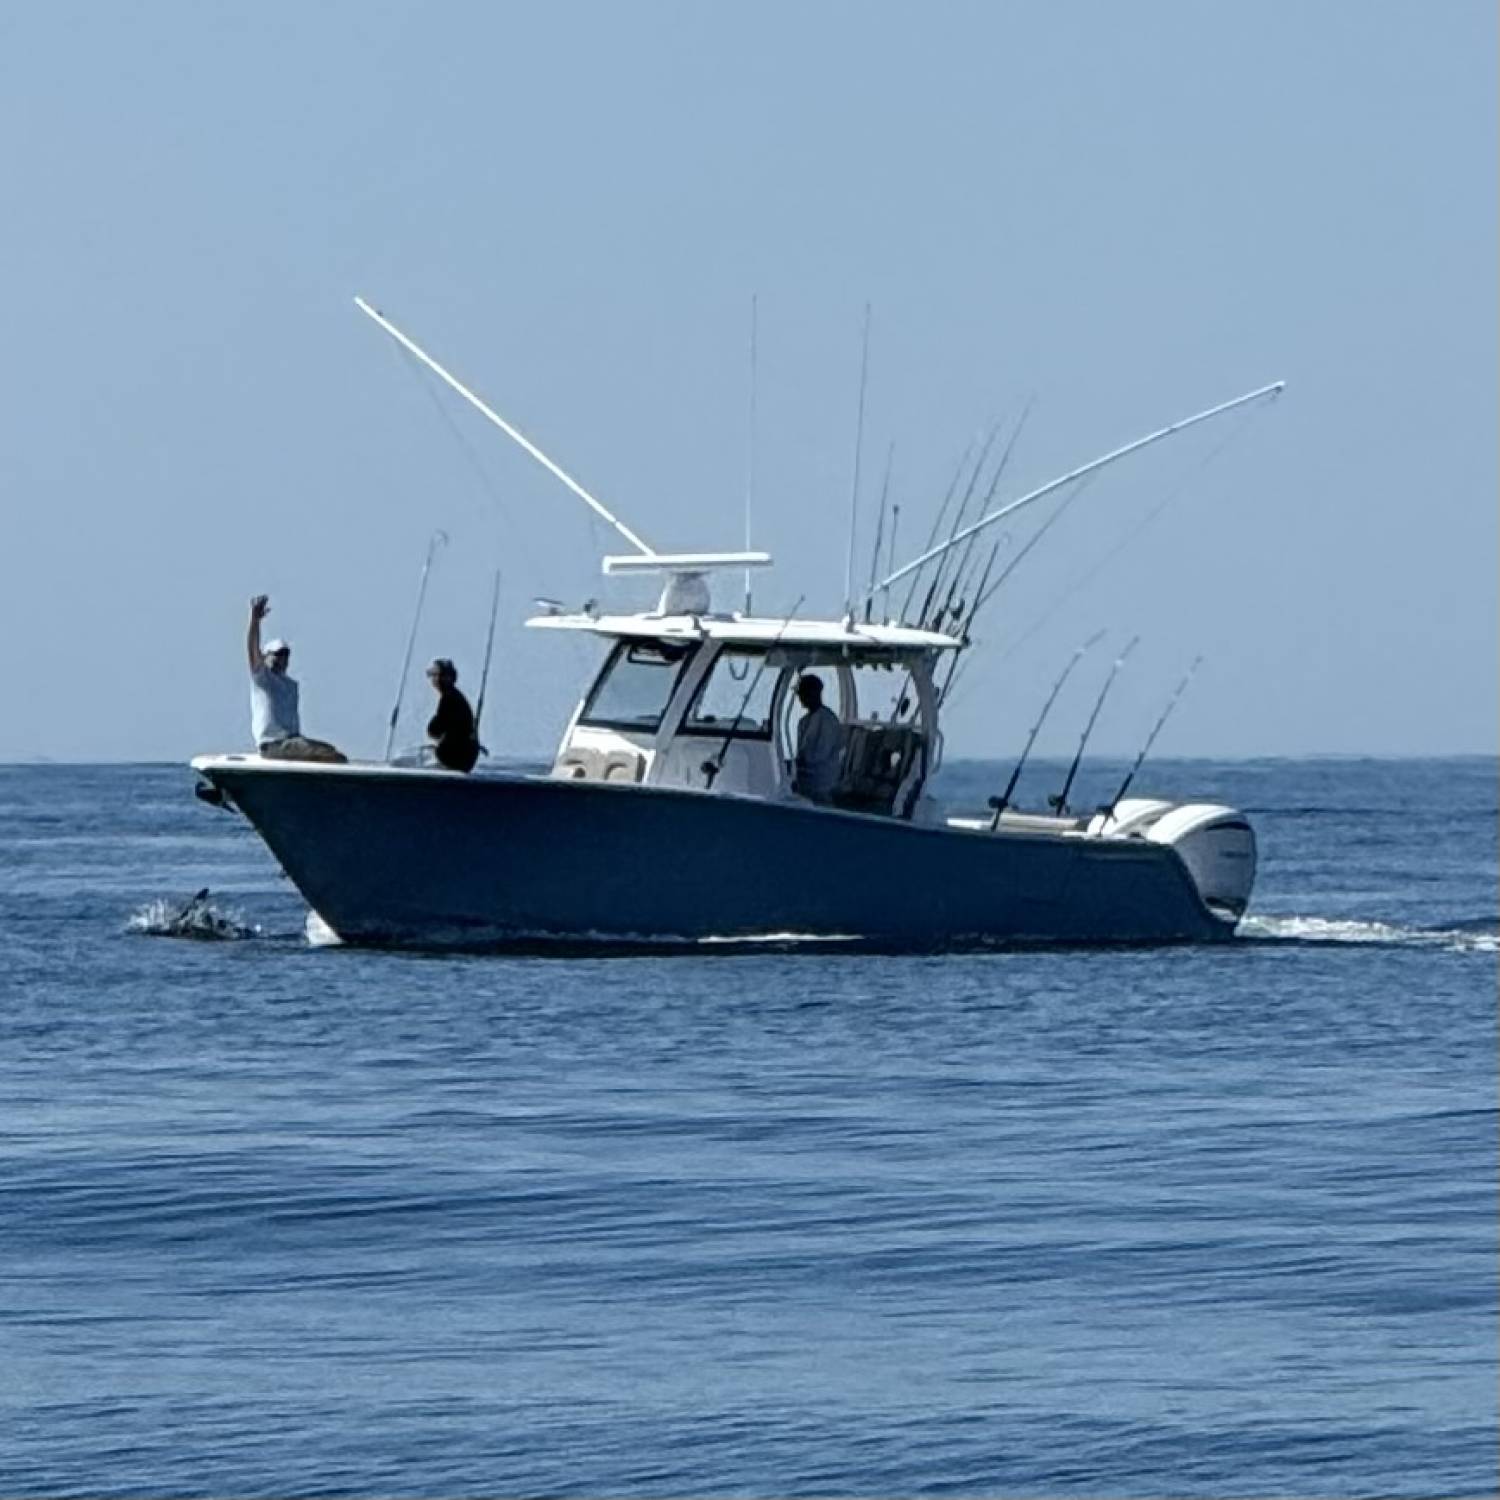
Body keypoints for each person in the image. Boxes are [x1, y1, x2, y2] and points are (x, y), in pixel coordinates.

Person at [246, 595, 345, 762]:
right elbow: (252, 648)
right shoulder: (263, 679)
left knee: (332, 753)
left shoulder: (291, 686)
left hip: (291, 743)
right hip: (273, 745)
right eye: (277, 654)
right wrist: (255, 621)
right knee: (327, 754)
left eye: (285, 654)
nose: (281, 658)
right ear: (266, 656)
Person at [792, 673, 844, 803]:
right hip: (804, 784)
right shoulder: (804, 721)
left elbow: (819, 755)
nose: (800, 698)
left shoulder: (828, 720)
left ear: (814, 693)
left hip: (822, 786)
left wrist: (799, 762)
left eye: (803, 693)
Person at [425, 658, 480, 773]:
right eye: (433, 675)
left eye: (441, 675)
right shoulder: (453, 697)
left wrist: (433, 728)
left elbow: (436, 729)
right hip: (462, 756)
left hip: (456, 757)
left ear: (451, 678)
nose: (437, 679)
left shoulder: (450, 699)